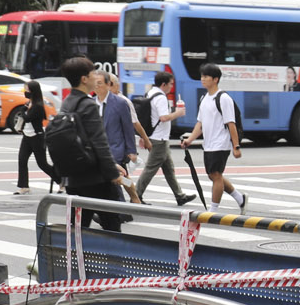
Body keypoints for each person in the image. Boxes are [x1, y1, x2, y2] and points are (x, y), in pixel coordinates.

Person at [55, 58, 127, 232]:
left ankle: (74, 258)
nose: (96, 77)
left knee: (77, 227)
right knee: (112, 224)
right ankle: (112, 259)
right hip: (95, 178)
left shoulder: (67, 102)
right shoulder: (88, 105)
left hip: (73, 176)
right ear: (84, 79)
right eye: (93, 73)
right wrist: (112, 172)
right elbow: (99, 142)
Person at [180, 64, 247, 213]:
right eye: (202, 76)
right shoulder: (205, 98)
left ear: (215, 79)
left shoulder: (223, 98)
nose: (202, 79)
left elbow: (231, 124)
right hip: (209, 143)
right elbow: (200, 123)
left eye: (206, 76)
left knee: (216, 175)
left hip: (221, 143)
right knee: (213, 175)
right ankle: (240, 198)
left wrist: (236, 146)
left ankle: (213, 209)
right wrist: (190, 139)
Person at [132, 69, 194, 206]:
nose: (172, 87)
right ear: (164, 84)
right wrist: (178, 113)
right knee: (150, 168)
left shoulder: (150, 93)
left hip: (156, 136)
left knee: (168, 168)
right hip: (159, 138)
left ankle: (179, 196)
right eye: (171, 84)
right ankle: (136, 195)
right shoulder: (160, 97)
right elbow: (164, 117)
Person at [96, 73, 142, 193]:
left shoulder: (121, 103)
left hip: (115, 150)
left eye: (99, 83)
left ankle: (130, 200)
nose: (96, 86)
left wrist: (131, 150)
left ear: (109, 85)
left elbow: (129, 127)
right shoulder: (90, 103)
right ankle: (134, 197)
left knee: (117, 179)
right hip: (98, 151)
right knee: (120, 178)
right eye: (94, 83)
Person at [15, 81, 57, 194]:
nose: (25, 92)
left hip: (37, 137)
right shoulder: (29, 103)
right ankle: (24, 186)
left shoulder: (38, 106)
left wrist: (23, 111)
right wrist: (24, 109)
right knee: (22, 160)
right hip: (27, 136)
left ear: (33, 91)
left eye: (27, 90)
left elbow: (28, 118)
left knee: (42, 163)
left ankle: (60, 180)